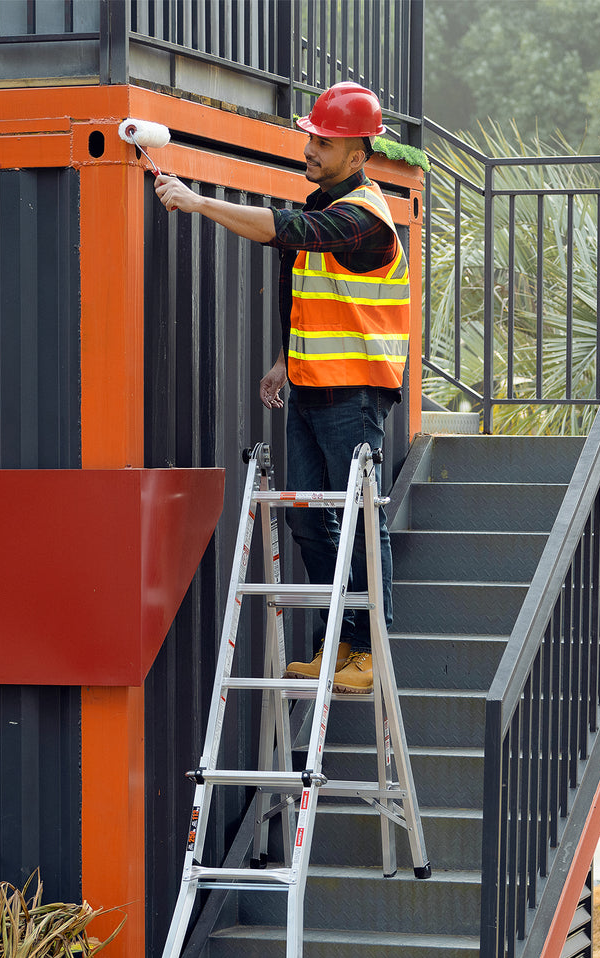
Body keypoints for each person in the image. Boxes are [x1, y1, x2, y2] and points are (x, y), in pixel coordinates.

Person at [153, 82, 409, 694]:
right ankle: (337, 645)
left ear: (358, 154)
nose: (311, 148)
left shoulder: (364, 217)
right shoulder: (325, 208)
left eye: (325, 142)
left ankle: (369, 650)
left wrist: (197, 201)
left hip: (355, 393)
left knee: (358, 521)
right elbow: (313, 297)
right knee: (307, 521)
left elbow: (286, 230)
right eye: (311, 138)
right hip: (310, 388)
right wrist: (281, 361)